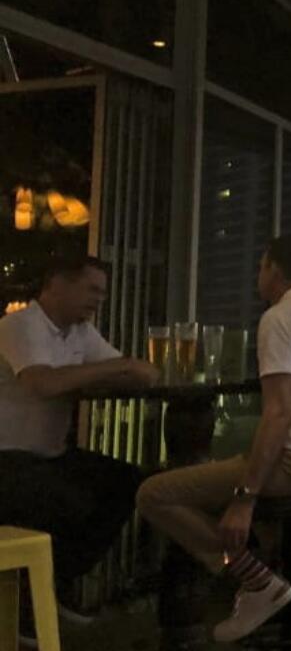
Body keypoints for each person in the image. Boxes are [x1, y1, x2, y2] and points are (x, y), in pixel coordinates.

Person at [137, 236, 291, 643]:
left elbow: (277, 413)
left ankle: (257, 580)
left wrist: (244, 499)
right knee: (239, 459)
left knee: (155, 493)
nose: (258, 277)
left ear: (273, 269)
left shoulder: (278, 318)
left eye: (260, 268)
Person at [0, 256, 159, 611]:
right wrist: (118, 367)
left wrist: (124, 368)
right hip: (7, 459)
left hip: (50, 456)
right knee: (72, 503)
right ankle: (31, 598)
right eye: (92, 290)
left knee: (129, 482)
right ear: (56, 284)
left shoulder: (79, 332)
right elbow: (41, 382)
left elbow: (138, 373)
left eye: (102, 293)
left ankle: (54, 585)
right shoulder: (20, 326)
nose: (99, 299)